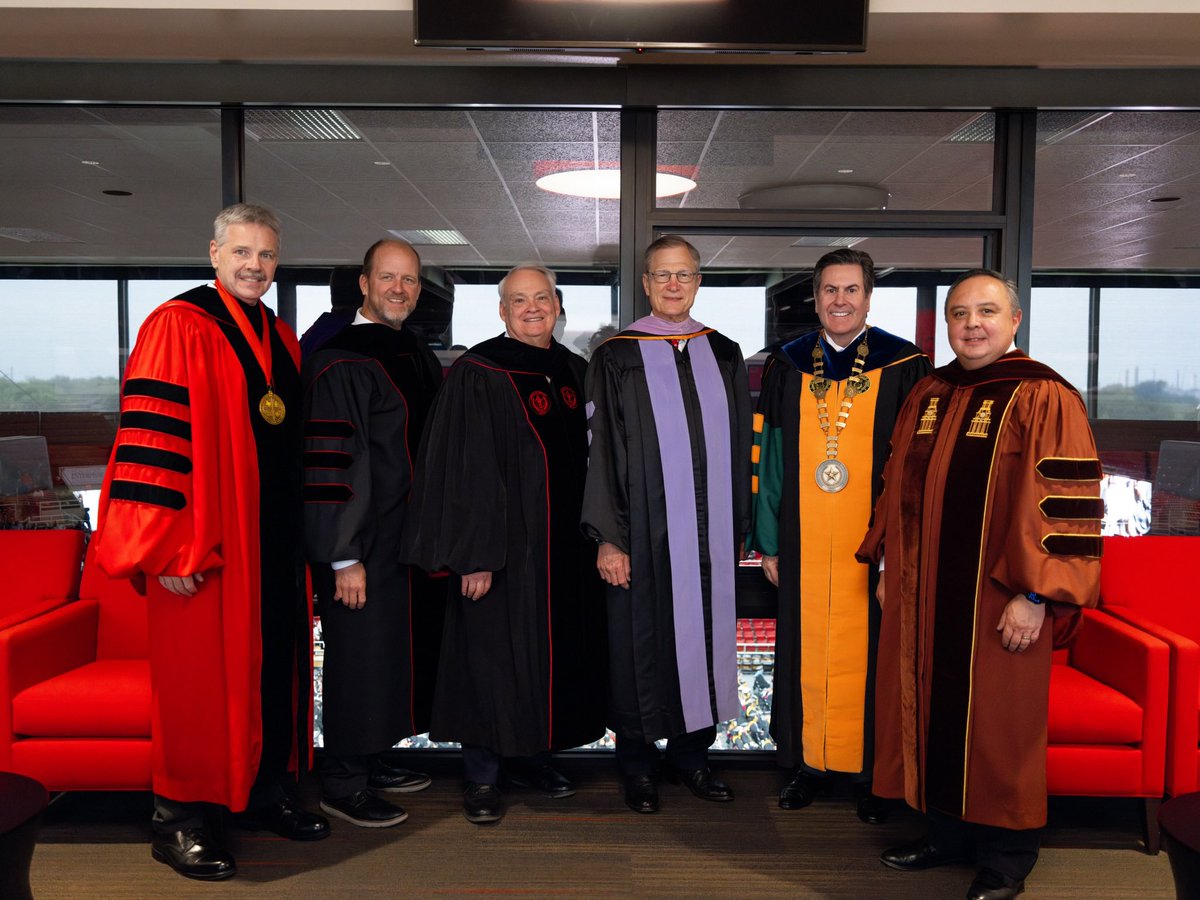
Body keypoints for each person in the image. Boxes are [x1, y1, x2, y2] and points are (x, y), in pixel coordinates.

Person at [92, 203, 329, 881]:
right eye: (242, 253)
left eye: (267, 255)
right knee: (201, 686)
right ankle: (181, 820)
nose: (255, 265)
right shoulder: (178, 324)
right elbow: (152, 444)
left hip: (273, 549)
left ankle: (259, 793)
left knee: (272, 674)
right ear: (214, 254)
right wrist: (164, 549)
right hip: (203, 552)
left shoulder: (280, 338)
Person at [857, 269, 1102, 900]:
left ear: (1014, 320)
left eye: (986, 312)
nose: (972, 325)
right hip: (922, 594)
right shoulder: (931, 393)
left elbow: (1063, 505)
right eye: (960, 314)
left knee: (998, 725)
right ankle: (945, 836)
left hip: (1000, 600)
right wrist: (888, 567)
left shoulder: (1045, 396)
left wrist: (1036, 595)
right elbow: (895, 484)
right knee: (929, 709)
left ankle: (1006, 857)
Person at [401, 264, 607, 825]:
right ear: (502, 311)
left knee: (550, 656)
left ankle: (533, 756)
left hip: (563, 555)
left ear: (558, 307)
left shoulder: (573, 371)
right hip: (502, 556)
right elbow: (463, 472)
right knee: (490, 659)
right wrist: (473, 555)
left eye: (542, 298)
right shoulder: (479, 372)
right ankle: (484, 775)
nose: (533, 308)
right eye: (520, 301)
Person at [749, 248, 930, 823]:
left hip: (868, 549)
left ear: (869, 297)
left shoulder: (904, 365)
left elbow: (913, 468)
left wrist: (896, 550)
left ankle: (872, 773)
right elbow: (769, 456)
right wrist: (769, 541)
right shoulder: (789, 364)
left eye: (851, 290)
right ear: (816, 297)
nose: (840, 301)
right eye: (830, 290)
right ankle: (807, 764)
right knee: (804, 647)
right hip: (802, 542)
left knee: (872, 651)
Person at [582, 234, 752, 815]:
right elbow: (599, 450)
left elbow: (740, 447)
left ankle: (692, 756)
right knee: (639, 645)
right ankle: (636, 764)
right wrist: (608, 536)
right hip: (642, 534)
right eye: (662, 275)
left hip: (709, 537)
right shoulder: (615, 356)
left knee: (703, 641)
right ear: (647, 284)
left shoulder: (725, 353)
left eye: (684, 275)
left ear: (698, 282)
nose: (673, 284)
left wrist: (738, 528)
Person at [302, 239, 444, 828]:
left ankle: (375, 757)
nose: (398, 290)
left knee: (390, 656)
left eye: (409, 280)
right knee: (359, 660)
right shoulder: (338, 358)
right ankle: (342, 779)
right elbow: (331, 462)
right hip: (360, 545)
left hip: (408, 543)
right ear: (363, 284)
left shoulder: (415, 354)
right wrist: (341, 557)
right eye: (387, 278)